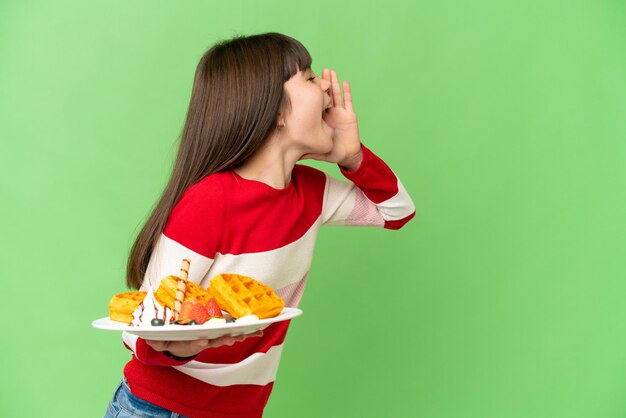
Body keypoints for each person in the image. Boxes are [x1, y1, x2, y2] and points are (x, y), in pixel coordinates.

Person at [104, 32, 416, 418]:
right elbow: (137, 331)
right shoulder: (210, 202)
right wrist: (179, 346)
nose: (325, 87)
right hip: (160, 409)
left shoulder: (312, 193)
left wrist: (353, 156)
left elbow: (397, 211)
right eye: (308, 76)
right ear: (276, 112)